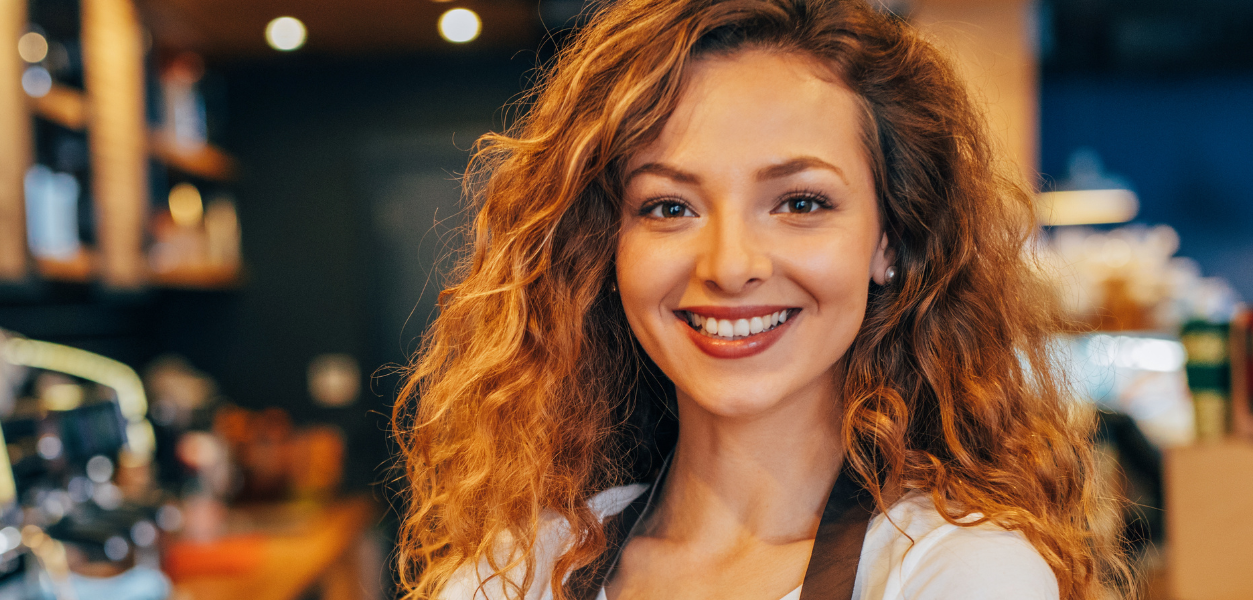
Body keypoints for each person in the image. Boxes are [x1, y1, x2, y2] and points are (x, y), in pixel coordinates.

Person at [392, 1, 1124, 599]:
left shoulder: (959, 573)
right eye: (670, 207)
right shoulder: (515, 574)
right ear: (605, 249)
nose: (731, 265)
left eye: (800, 202)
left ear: (890, 241)